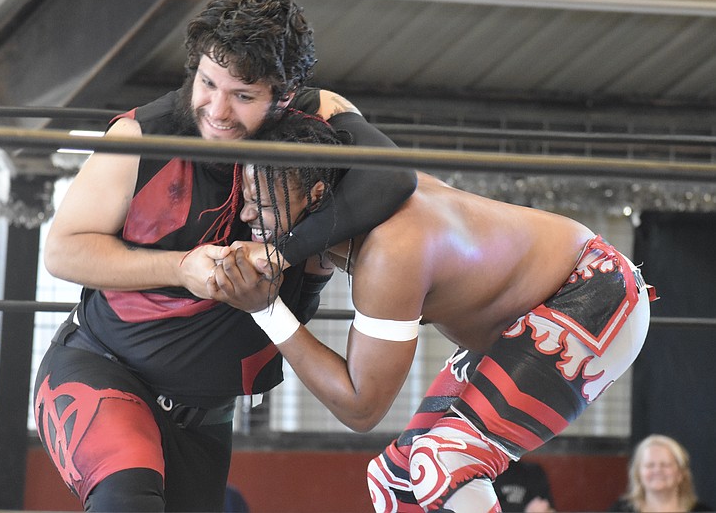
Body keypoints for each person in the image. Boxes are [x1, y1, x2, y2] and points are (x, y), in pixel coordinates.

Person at [34, 0, 416, 512]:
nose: (217, 110)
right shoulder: (145, 136)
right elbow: (63, 252)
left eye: (243, 95)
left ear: (283, 97)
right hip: (104, 368)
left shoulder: (314, 121)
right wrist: (181, 267)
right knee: (129, 501)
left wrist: (278, 252)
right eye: (207, 83)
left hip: (208, 413)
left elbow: (395, 178)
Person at [209, 111, 656, 512]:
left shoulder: (391, 250)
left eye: (263, 204)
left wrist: (266, 309)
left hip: (594, 292)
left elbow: (361, 408)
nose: (248, 214)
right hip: (523, 317)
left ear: (317, 194)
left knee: (444, 460)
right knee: (395, 479)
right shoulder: (362, 192)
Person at [607, 434, 711, 512]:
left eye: (665, 465)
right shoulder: (620, 510)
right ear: (638, 474)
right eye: (650, 465)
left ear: (680, 473)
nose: (657, 470)